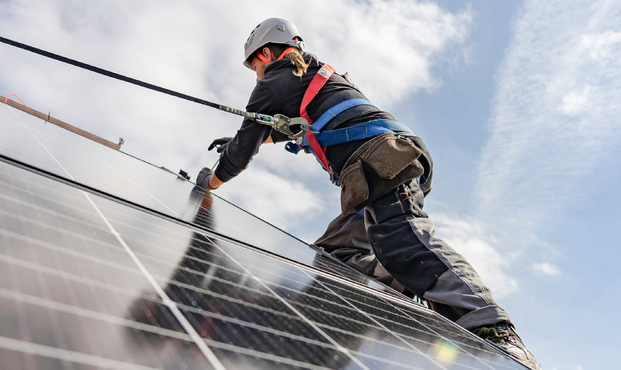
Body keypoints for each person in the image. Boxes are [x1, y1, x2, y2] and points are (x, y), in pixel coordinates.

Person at [196, 18, 541, 369]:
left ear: (266, 53)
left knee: (404, 238)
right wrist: (259, 138)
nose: (256, 75)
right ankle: (399, 283)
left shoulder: (276, 76)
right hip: (382, 165)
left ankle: (494, 329)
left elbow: (241, 152)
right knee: (335, 253)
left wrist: (209, 181)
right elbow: (293, 127)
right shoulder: (309, 72)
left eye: (254, 66)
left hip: (382, 163)